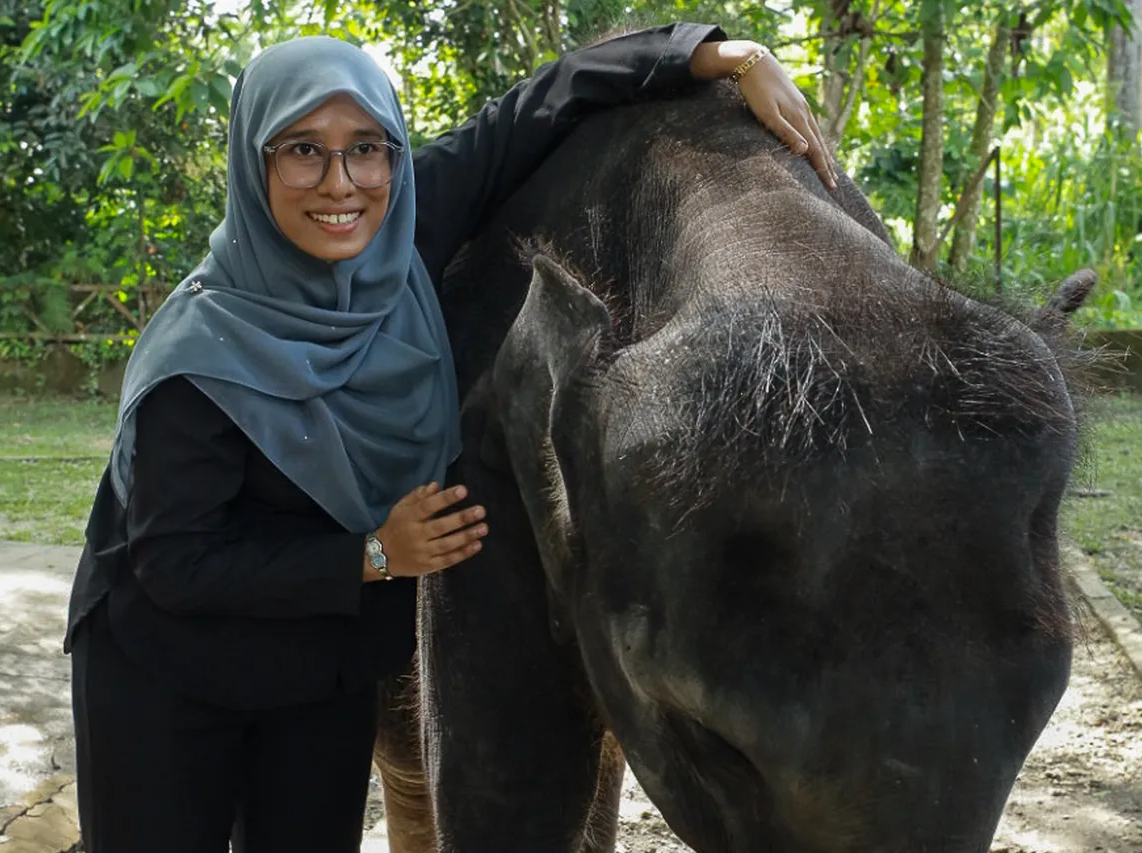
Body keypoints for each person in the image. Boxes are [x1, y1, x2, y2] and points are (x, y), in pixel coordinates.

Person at [64, 21, 836, 853]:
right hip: (167, 670)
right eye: (302, 151)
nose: (341, 182)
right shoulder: (199, 365)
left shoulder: (399, 229)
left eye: (366, 147)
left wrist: (727, 56)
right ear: (255, 166)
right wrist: (374, 554)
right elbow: (176, 565)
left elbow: (533, 108)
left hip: (318, 659)